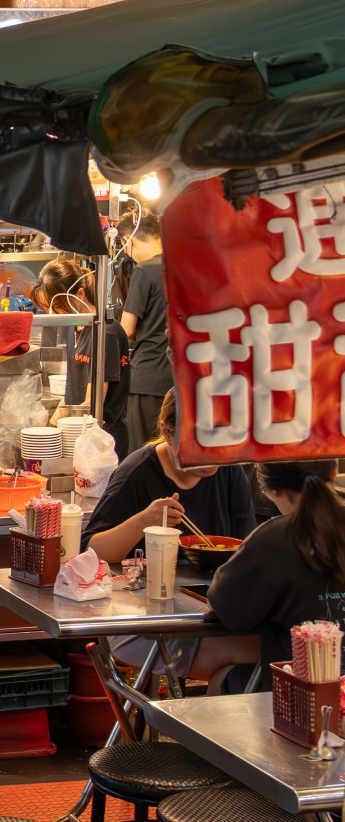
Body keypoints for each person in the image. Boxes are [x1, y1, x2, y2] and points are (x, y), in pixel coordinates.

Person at [205, 461, 345, 691]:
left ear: (271, 490)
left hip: (299, 695)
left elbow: (224, 608)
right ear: (333, 472)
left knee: (223, 676)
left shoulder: (273, 538)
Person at [85, 389, 259, 564]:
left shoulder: (230, 471)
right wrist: (144, 521)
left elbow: (250, 548)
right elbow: (90, 551)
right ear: (167, 432)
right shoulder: (135, 473)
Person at [33, 255, 125, 437]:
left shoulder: (105, 332)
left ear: (80, 295)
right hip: (77, 430)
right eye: (46, 308)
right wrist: (49, 426)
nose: (52, 314)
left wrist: (56, 431)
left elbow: (92, 402)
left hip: (102, 439)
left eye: (56, 306)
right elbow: (71, 393)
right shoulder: (73, 327)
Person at [120, 214, 171, 450]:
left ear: (129, 240)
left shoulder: (145, 270)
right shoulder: (191, 265)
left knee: (144, 453)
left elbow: (126, 330)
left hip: (148, 377)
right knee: (173, 450)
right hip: (183, 378)